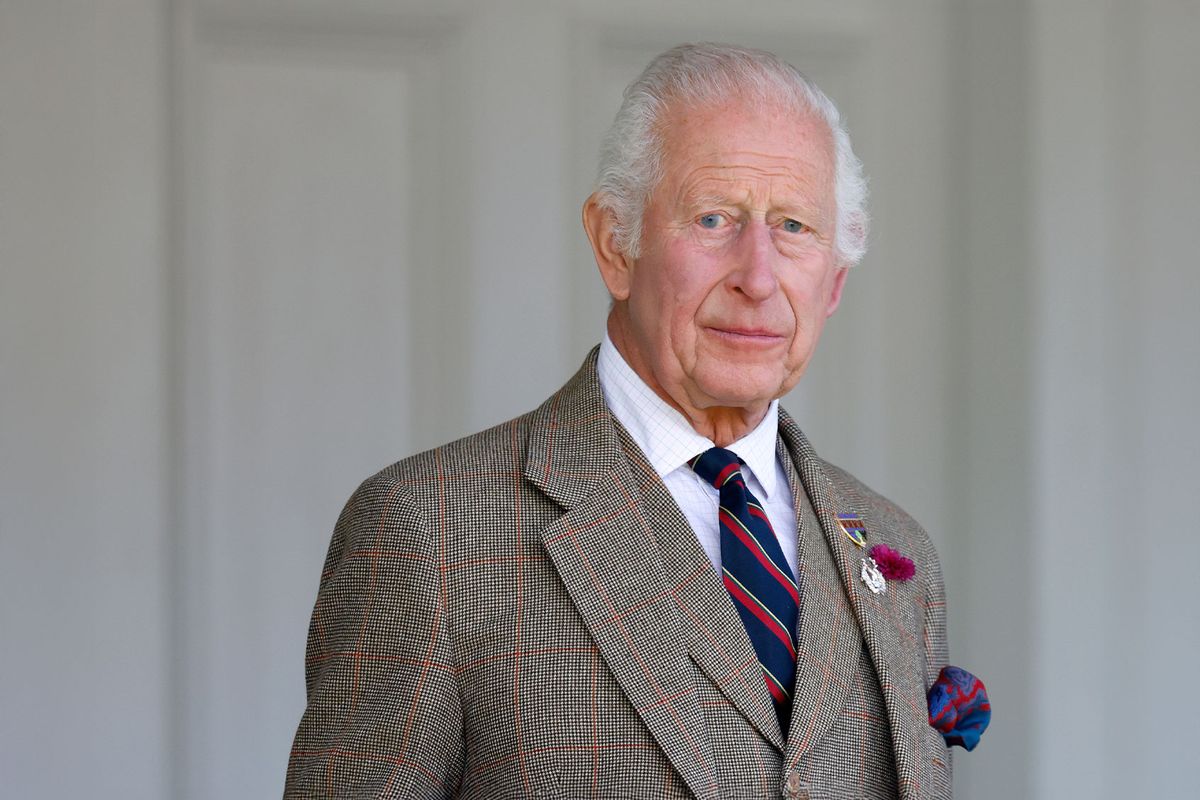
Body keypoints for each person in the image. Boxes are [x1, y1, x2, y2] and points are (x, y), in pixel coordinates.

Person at [285, 42, 954, 799]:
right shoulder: (426, 533)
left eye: (795, 227)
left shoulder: (901, 555)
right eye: (713, 218)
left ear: (833, 280)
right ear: (615, 246)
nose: (759, 277)